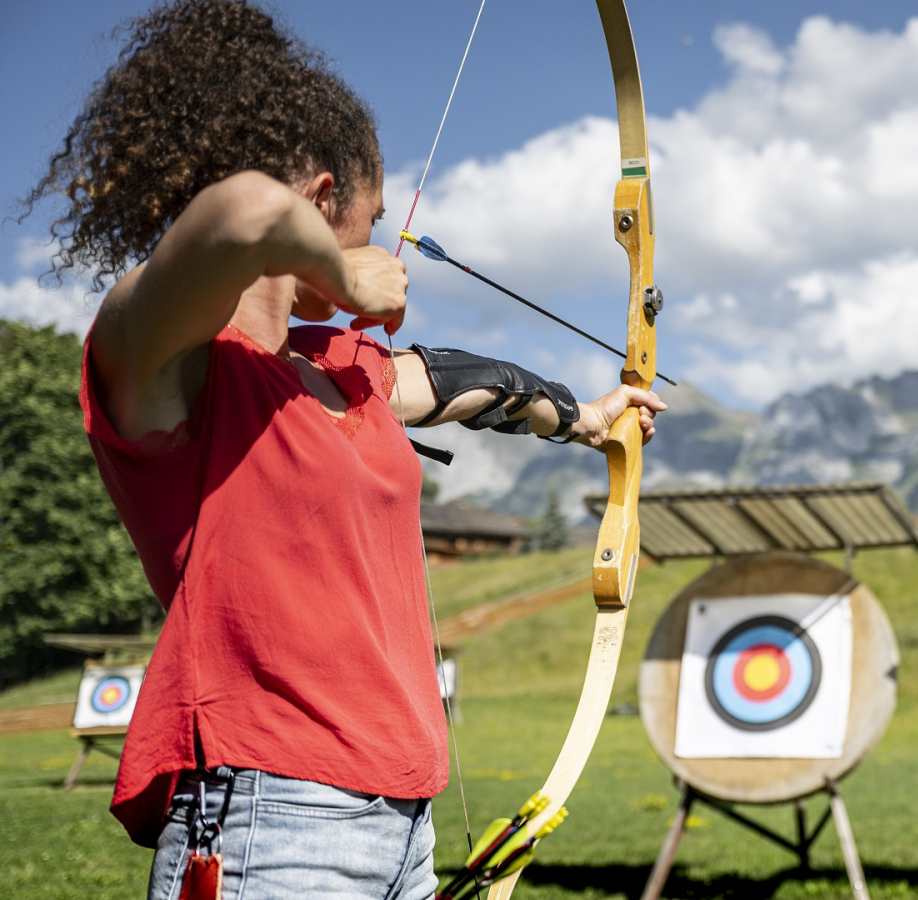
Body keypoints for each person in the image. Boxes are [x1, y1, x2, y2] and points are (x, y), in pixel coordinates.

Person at [21, 1, 665, 897]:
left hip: (405, 818)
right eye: (370, 220)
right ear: (324, 201)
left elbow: (459, 383)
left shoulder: (345, 367)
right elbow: (240, 213)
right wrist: (337, 266)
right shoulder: (164, 363)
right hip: (269, 821)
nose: (380, 247)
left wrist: (592, 419)